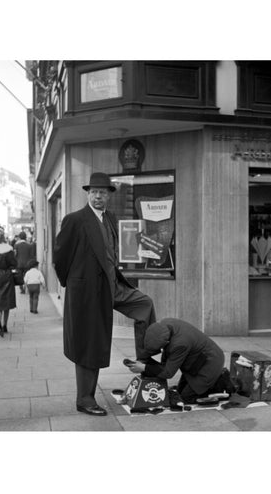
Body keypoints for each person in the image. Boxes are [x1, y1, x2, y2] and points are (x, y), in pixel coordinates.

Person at [53, 172, 156, 417]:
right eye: (94, 192)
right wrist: (76, 285)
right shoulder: (75, 220)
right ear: (88, 194)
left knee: (144, 304)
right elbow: (60, 257)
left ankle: (144, 363)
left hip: (113, 286)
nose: (98, 196)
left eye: (102, 192)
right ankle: (85, 399)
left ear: (109, 195)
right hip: (88, 292)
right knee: (90, 342)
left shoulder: (110, 218)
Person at [127, 318, 235, 404]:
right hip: (196, 362)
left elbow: (168, 373)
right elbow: (164, 362)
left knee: (186, 398)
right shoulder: (165, 326)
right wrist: (144, 362)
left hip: (210, 363)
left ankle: (220, 382)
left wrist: (144, 368)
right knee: (179, 392)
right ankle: (211, 382)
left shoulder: (179, 343)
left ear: (167, 341)